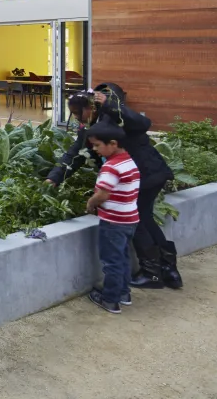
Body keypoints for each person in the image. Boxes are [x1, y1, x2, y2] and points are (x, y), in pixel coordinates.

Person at [46, 83, 180, 289]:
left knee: (139, 222)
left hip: (147, 175)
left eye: (77, 113)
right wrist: (54, 178)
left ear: (90, 107)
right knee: (145, 218)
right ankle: (168, 270)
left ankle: (152, 273)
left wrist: (109, 105)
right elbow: (74, 155)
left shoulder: (116, 117)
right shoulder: (89, 129)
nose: (75, 118)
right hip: (139, 178)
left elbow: (143, 123)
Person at [85, 122, 140, 313]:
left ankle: (110, 299)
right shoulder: (128, 161)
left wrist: (91, 204)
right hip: (130, 219)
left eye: (97, 145)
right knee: (122, 258)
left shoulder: (111, 167)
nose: (94, 149)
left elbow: (103, 194)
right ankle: (123, 294)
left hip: (113, 222)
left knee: (111, 261)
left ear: (113, 143)